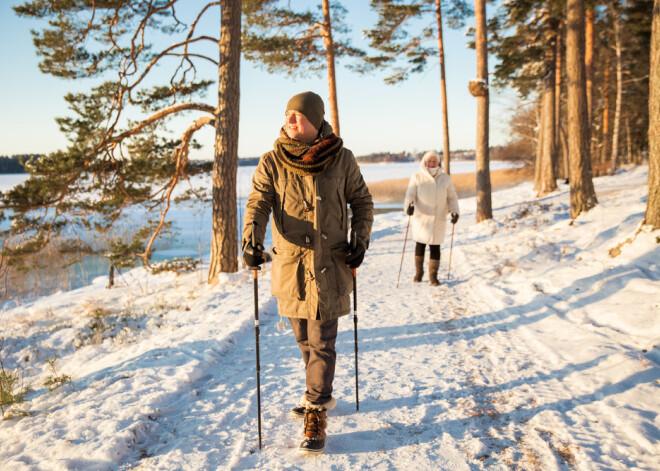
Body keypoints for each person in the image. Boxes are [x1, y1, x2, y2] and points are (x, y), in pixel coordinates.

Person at [242, 91, 374, 455]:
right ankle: (319, 390)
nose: (290, 120)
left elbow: (362, 202)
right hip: (291, 267)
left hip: (331, 265)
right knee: (302, 337)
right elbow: (258, 203)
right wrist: (251, 240)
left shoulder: (342, 159)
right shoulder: (272, 161)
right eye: (287, 114)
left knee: (321, 340)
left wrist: (360, 240)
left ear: (315, 121)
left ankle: (316, 408)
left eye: (298, 115)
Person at [403, 151, 459, 286]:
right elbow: (410, 195)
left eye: (434, 161)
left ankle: (433, 276)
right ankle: (419, 273)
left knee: (435, 247)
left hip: (438, 218)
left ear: (438, 162)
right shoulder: (417, 177)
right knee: (420, 245)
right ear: (424, 162)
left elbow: (452, 197)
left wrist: (454, 211)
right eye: (429, 161)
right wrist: (408, 207)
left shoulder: (445, 178)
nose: (431, 163)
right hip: (421, 218)